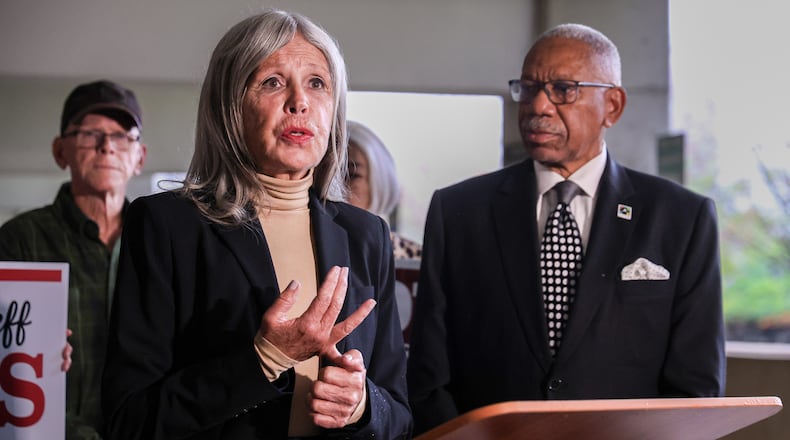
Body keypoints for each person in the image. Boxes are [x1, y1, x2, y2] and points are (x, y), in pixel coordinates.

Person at [101, 9, 411, 440]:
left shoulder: (366, 234)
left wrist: (360, 406)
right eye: (272, 82)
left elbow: (400, 416)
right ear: (230, 105)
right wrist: (263, 358)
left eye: (317, 83)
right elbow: (128, 422)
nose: (299, 101)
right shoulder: (165, 226)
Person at [406, 23, 726, 434]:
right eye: (528, 87)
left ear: (612, 105)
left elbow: (696, 389)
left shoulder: (682, 219)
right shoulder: (458, 212)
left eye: (563, 89)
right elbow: (429, 373)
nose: (538, 105)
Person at [0, 79, 147, 439]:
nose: (106, 147)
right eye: (89, 134)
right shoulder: (20, 239)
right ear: (60, 151)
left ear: (139, 156)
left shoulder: (158, 242)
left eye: (121, 135)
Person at [346, 120, 422, 260]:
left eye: (351, 175)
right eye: (327, 175)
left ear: (379, 180)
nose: (336, 187)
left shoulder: (412, 260)